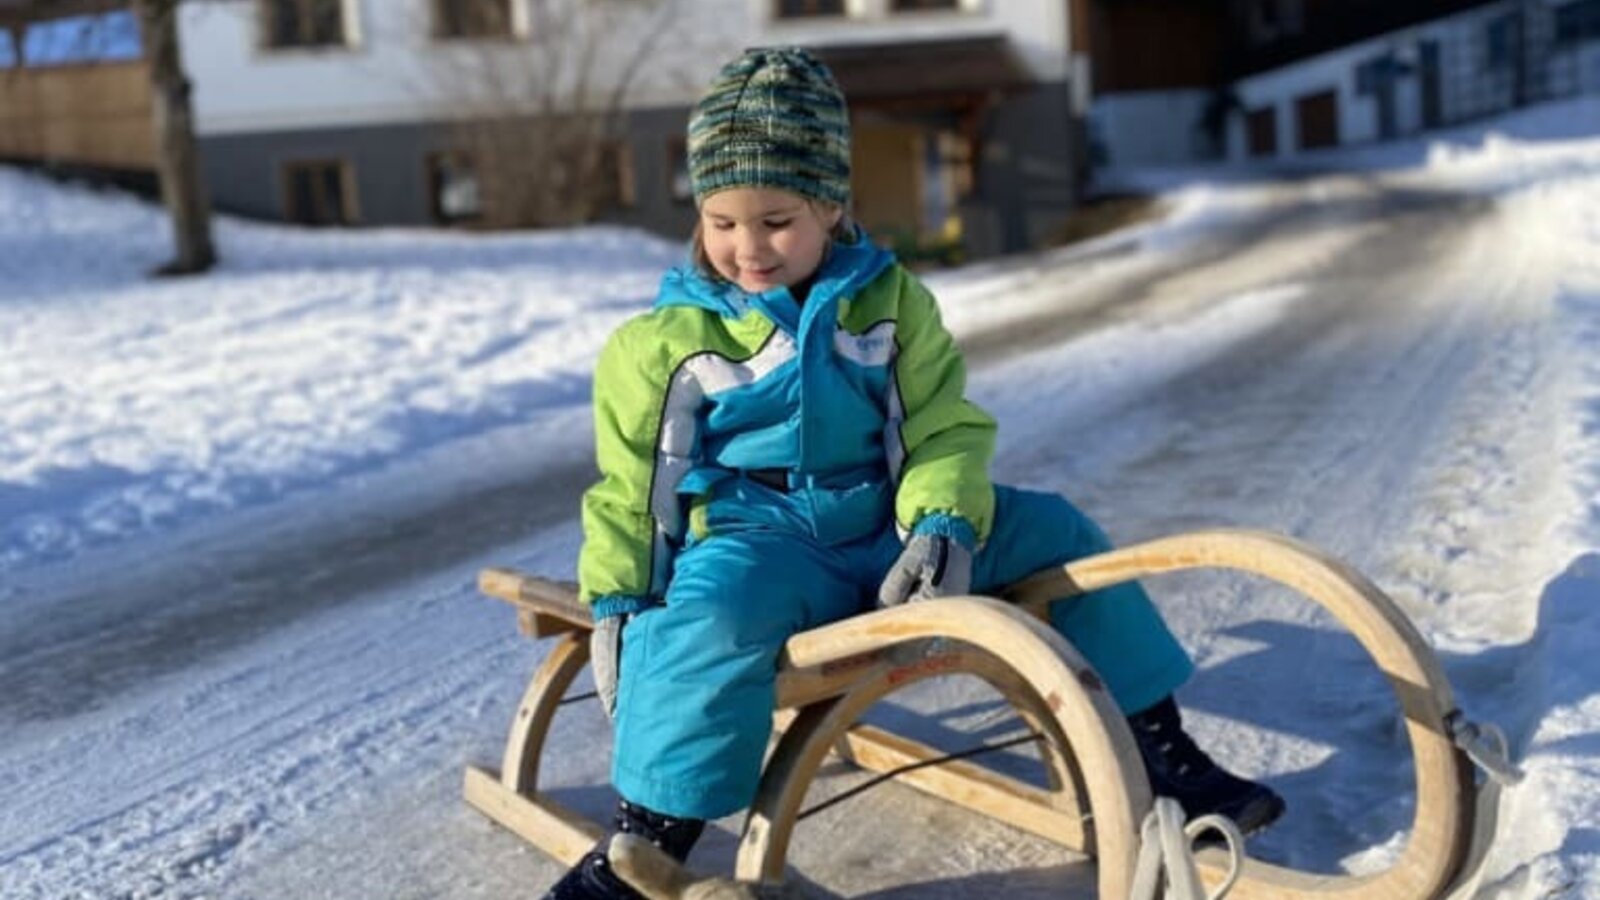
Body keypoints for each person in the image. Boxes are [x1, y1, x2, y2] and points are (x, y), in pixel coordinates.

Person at [547, 47, 1283, 900]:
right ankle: (646, 839)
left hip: (893, 526)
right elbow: (636, 488)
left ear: (831, 205)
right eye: (722, 221)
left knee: (1061, 534)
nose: (746, 247)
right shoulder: (666, 343)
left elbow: (941, 428)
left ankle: (1162, 751)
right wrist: (623, 599)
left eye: (775, 220)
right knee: (701, 622)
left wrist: (941, 523)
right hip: (763, 541)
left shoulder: (892, 305)